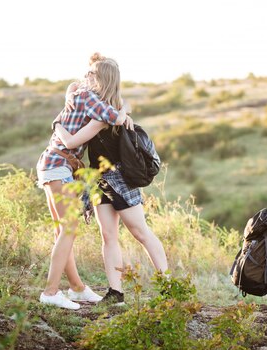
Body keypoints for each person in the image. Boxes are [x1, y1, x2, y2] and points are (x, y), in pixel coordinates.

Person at [36, 56, 132, 309]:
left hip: (52, 163)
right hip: (60, 166)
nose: (87, 77)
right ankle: (50, 292)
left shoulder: (78, 95)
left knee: (62, 231)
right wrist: (125, 109)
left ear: (102, 79)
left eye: (92, 74)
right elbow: (117, 118)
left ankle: (77, 288)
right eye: (87, 73)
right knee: (68, 230)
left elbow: (61, 119)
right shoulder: (89, 98)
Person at [53, 110, 168, 305]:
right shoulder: (97, 110)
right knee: (108, 235)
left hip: (120, 178)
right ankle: (116, 294)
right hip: (99, 178)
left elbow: (71, 141)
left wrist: (56, 124)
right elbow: (75, 92)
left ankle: (168, 287)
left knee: (140, 232)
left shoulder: (105, 114)